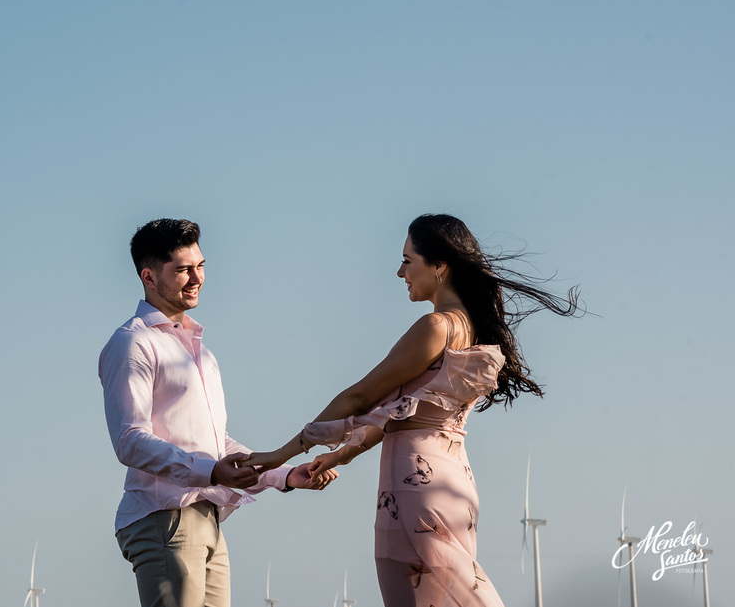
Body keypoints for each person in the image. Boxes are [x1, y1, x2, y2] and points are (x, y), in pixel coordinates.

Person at [245, 214, 580, 607]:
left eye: (408, 260)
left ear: (439, 266)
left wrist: (278, 456)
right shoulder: (472, 330)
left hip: (413, 486)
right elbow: (403, 415)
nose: (400, 271)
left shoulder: (436, 327)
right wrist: (343, 453)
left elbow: (360, 398)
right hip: (454, 485)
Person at [99, 218, 329, 607]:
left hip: (208, 518)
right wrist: (210, 471)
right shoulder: (132, 343)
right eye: (183, 269)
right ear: (149, 276)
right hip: (164, 518)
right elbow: (129, 440)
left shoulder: (201, 352)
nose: (197, 278)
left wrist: (285, 475)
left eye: (200, 266)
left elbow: (215, 442)